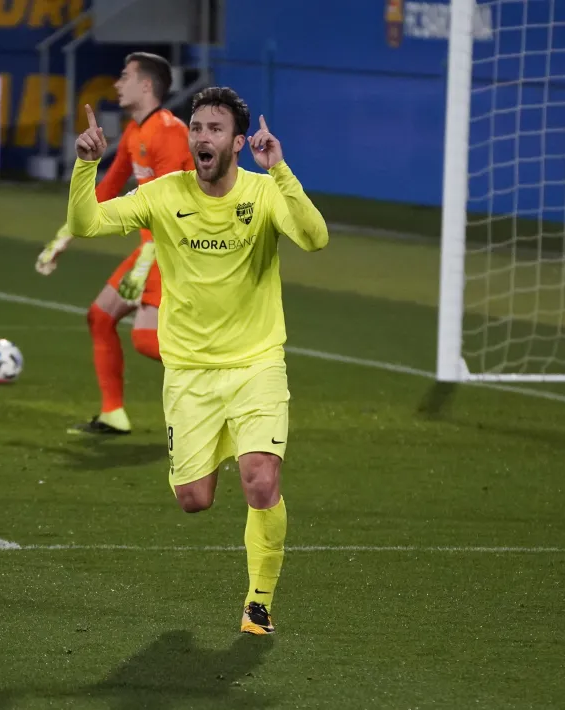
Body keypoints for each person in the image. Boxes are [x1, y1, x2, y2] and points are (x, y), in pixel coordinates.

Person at [66, 88, 329, 634]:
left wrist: (281, 172)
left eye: (214, 129)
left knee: (260, 480)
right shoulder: (164, 194)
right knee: (194, 499)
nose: (202, 137)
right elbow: (88, 223)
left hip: (256, 363)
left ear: (238, 142)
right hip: (189, 371)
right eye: (197, 127)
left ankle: (258, 603)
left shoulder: (264, 191)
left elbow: (315, 238)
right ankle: (212, 461)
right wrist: (86, 165)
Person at [35, 52, 194, 436]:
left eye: (125, 76)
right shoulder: (135, 133)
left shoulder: (169, 133)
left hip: (178, 250)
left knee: (145, 339)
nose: (117, 84)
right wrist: (65, 235)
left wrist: (146, 262)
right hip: (153, 248)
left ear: (146, 85)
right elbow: (105, 191)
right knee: (100, 316)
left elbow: (173, 204)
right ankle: (113, 414)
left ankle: (221, 375)